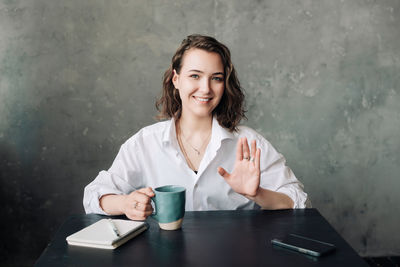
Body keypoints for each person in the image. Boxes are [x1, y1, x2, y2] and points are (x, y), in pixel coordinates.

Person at [83, 34, 308, 221]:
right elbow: (94, 196)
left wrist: (257, 194)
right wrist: (125, 203)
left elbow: (298, 198)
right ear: (176, 79)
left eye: (216, 78)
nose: (206, 89)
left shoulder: (249, 143)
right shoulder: (145, 142)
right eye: (195, 76)